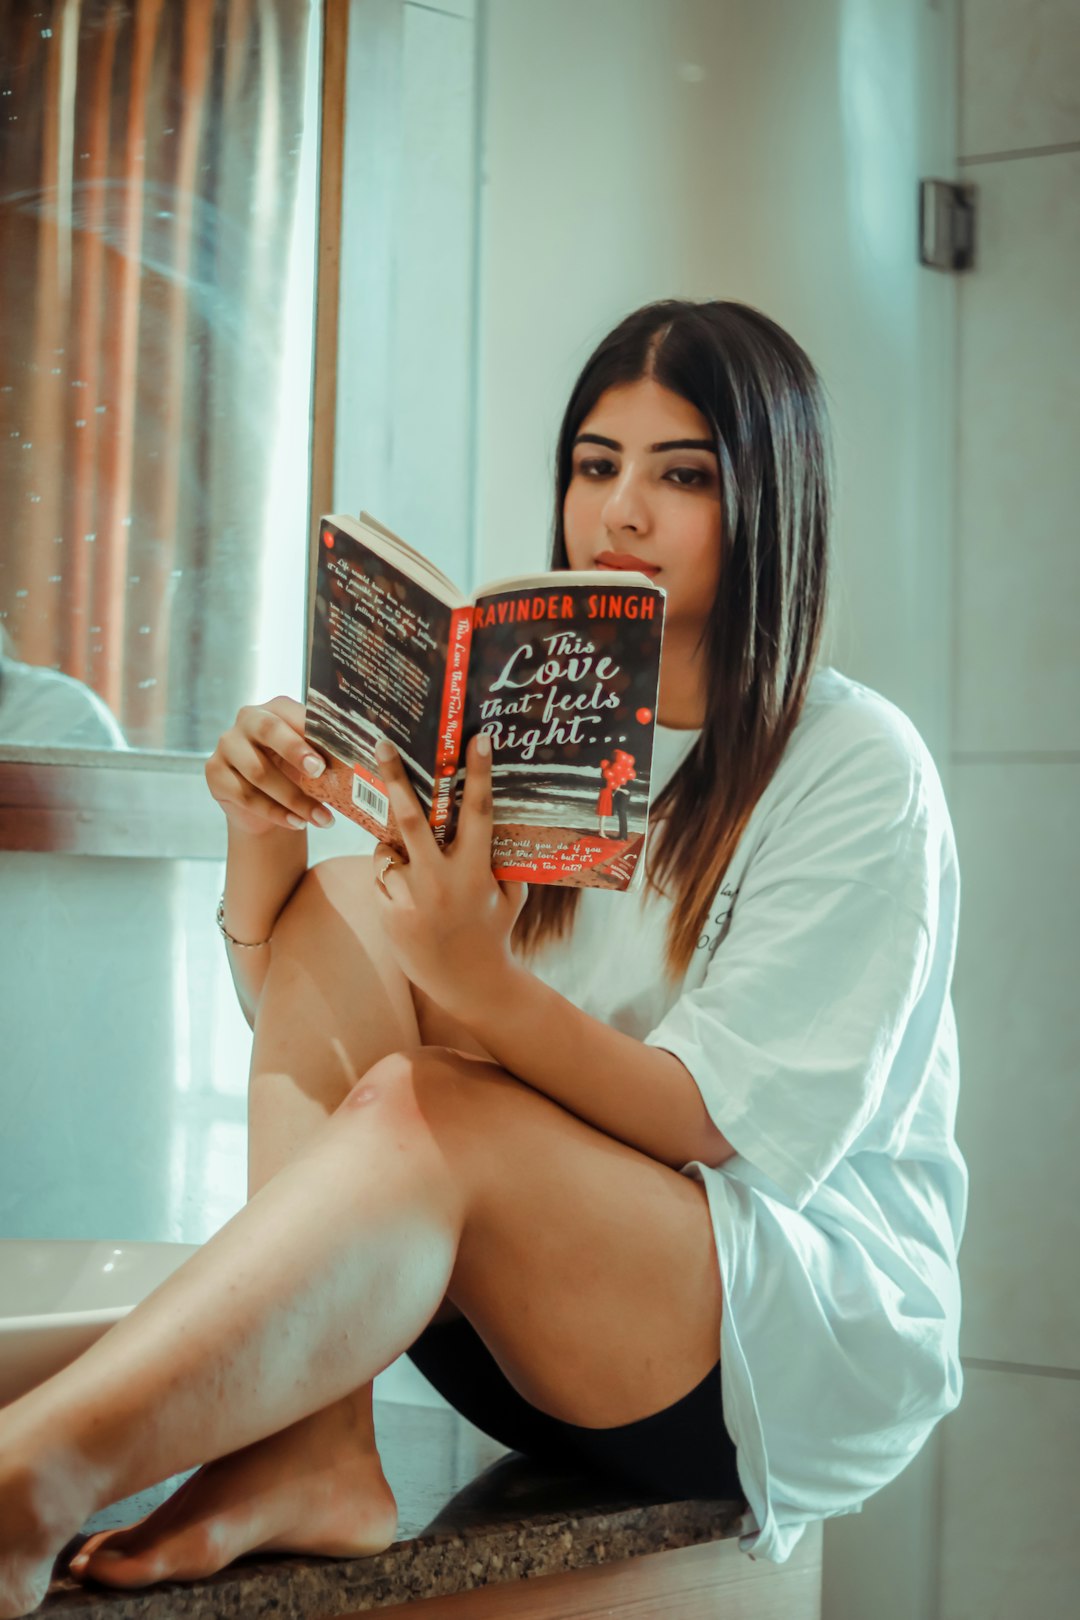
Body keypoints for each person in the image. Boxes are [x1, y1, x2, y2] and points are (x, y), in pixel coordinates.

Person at [0, 298, 966, 1617]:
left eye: (680, 475)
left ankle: (30, 1477)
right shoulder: (530, 735)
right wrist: (259, 837)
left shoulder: (857, 766)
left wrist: (476, 986)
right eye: (594, 464)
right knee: (352, 903)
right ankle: (308, 1443)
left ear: (771, 505)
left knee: (436, 1100)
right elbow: (322, 1031)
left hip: (766, 1338)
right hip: (535, 1300)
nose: (619, 511)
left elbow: (718, 1127)